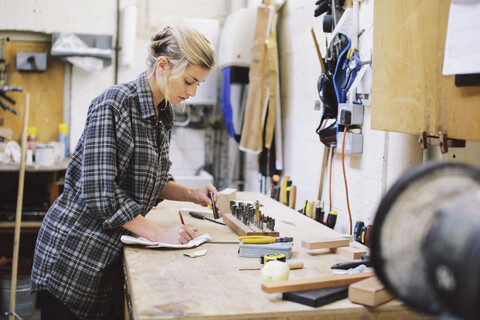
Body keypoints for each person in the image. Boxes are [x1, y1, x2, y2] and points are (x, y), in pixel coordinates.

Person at [31, 25, 218, 320]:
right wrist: (158, 234)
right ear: (162, 66)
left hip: (107, 258)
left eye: (199, 84)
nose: (193, 92)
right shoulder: (114, 104)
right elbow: (100, 191)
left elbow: (149, 180)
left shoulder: (162, 113)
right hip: (76, 258)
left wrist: (191, 194)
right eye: (189, 81)